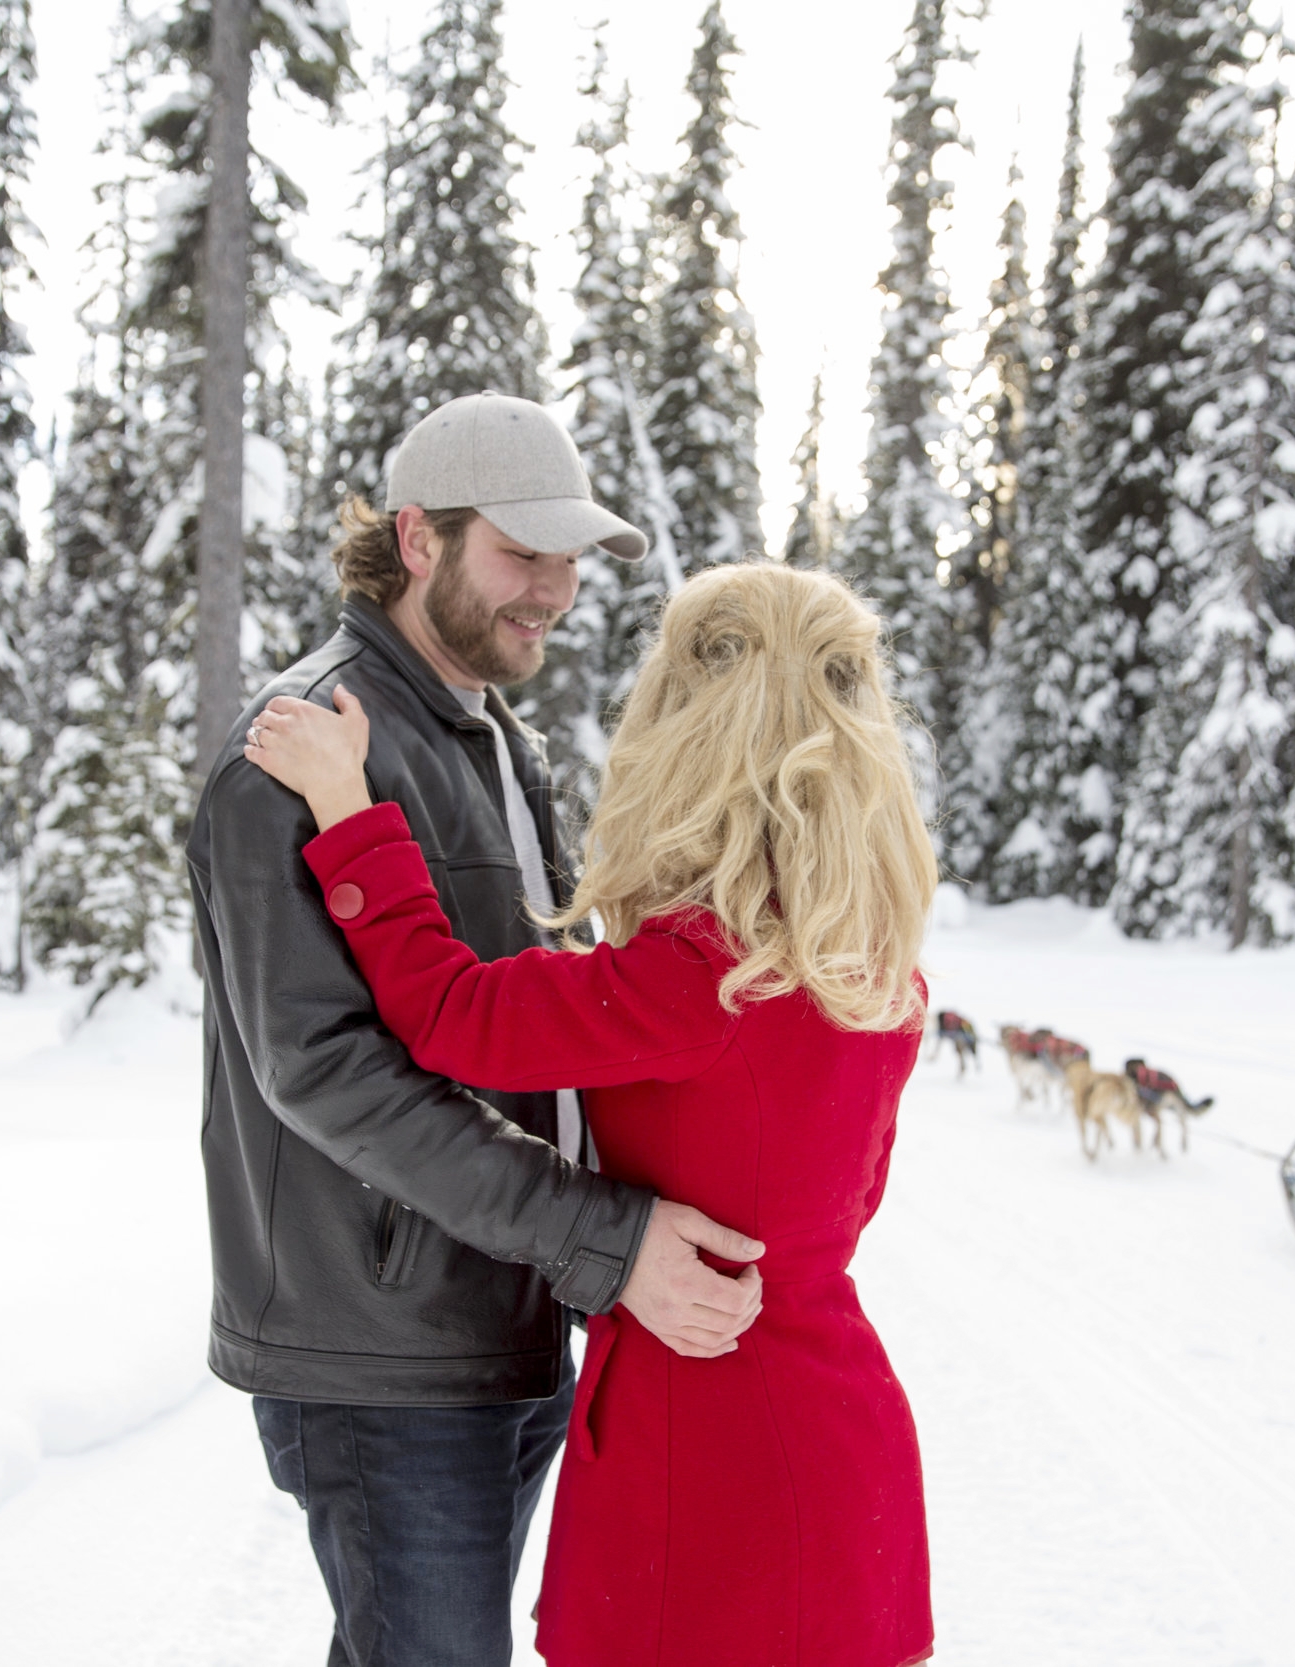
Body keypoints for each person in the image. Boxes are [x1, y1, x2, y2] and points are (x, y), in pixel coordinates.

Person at [247, 561, 940, 1667]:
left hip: (713, 1445)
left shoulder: (702, 971)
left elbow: (445, 1009)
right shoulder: (862, 962)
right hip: (830, 1426)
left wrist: (348, 807)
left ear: (691, 729)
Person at [184, 393, 770, 1667]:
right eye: (522, 552)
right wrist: (597, 1234)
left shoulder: (485, 736)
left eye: (568, 560)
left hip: (506, 1312)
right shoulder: (296, 750)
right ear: (418, 539)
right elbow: (326, 1074)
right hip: (379, 1339)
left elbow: (516, 1020)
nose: (554, 590)